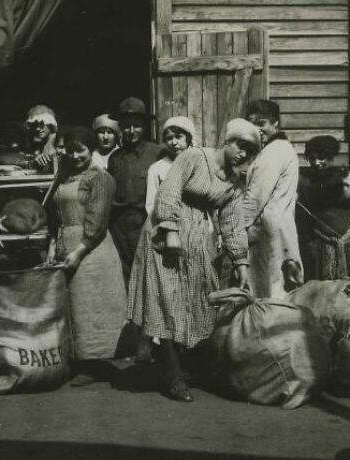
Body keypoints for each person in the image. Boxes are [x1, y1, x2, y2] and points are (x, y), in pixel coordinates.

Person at [137, 118, 258, 402]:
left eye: (249, 150)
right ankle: (174, 376)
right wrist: (169, 229)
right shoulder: (194, 157)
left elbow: (231, 221)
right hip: (165, 238)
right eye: (239, 145)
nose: (242, 153)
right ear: (226, 141)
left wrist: (241, 261)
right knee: (165, 301)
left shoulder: (233, 180)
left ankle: (185, 364)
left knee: (195, 302)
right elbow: (169, 190)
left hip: (199, 241)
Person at [46, 126, 126, 386]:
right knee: (70, 306)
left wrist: (80, 250)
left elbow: (98, 219)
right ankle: (76, 359)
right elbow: (54, 217)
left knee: (90, 306)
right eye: (70, 150)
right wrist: (52, 248)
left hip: (91, 249)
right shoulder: (64, 176)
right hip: (65, 243)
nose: (75, 155)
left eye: (80, 150)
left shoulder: (99, 178)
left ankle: (93, 365)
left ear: (91, 150)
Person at [127, 116, 197, 358]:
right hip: (165, 235)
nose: (174, 142)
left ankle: (190, 347)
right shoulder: (157, 168)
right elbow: (151, 204)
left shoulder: (199, 164)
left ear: (189, 138)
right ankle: (163, 346)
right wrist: (167, 230)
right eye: (169, 137)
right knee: (167, 291)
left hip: (195, 234)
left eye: (179, 136)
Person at [244, 100, 303, 298]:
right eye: (251, 124)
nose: (257, 130)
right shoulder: (281, 149)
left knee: (267, 290)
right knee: (278, 288)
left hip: (266, 231)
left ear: (275, 123)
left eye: (261, 123)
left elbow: (255, 198)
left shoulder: (274, 152)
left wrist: (237, 230)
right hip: (279, 226)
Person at [107, 97, 165, 281]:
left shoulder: (157, 153)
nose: (131, 131)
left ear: (145, 127)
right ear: (120, 128)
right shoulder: (115, 157)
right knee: (125, 273)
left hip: (145, 222)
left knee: (150, 272)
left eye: (137, 126)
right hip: (119, 226)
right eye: (126, 126)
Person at [296, 136, 350, 280]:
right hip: (322, 247)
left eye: (321, 158)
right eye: (312, 159)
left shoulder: (344, 178)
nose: (317, 163)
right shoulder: (305, 183)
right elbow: (303, 218)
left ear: (331, 157)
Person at [25, 104, 59, 174]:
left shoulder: (59, 142)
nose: (37, 128)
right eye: (35, 125)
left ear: (50, 124)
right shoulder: (39, 144)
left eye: (41, 124)